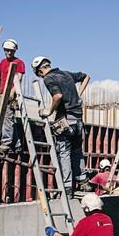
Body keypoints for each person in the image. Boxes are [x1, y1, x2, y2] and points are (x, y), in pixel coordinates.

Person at [32, 56, 91, 195]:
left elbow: (57, 96)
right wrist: (79, 94)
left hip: (66, 120)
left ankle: (67, 187)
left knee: (64, 152)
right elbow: (86, 76)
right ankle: (82, 182)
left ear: (40, 70)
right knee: (77, 151)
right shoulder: (65, 73)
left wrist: (49, 111)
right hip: (78, 120)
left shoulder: (48, 78)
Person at [0, 39, 26, 153]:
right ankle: (17, 144)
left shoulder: (19, 62)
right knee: (8, 118)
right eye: (7, 50)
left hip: (11, 94)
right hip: (2, 93)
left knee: (6, 118)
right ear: (4, 50)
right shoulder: (2, 62)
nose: (9, 53)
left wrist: (12, 91)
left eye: (11, 51)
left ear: (15, 51)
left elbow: (19, 78)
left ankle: (6, 143)